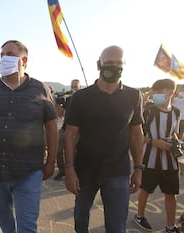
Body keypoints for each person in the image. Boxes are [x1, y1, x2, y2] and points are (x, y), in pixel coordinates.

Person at [0, 40, 58, 233]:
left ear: (24, 60)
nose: (4, 58)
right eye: (1, 55)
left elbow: (51, 126)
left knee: (26, 227)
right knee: (4, 221)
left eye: (9, 54)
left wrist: (51, 161)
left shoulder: (40, 89)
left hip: (29, 171)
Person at [64, 45, 144, 233]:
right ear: (99, 64)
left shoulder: (134, 96)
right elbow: (70, 134)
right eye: (108, 63)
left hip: (118, 172)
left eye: (118, 63)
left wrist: (139, 168)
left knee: (117, 227)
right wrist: (69, 169)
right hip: (85, 171)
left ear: (124, 65)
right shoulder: (81, 97)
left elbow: (136, 133)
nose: (113, 67)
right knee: (80, 220)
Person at [133, 79, 182, 233]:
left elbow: (174, 132)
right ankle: (139, 216)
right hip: (150, 158)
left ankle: (170, 226)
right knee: (146, 189)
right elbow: (137, 134)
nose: (156, 95)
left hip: (170, 160)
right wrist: (154, 142)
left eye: (160, 91)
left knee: (171, 193)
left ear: (171, 92)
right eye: (155, 92)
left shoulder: (176, 112)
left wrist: (175, 143)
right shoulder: (149, 111)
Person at [53, 79, 81, 180]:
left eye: (76, 87)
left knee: (74, 151)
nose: (73, 89)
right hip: (65, 128)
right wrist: (59, 104)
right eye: (72, 86)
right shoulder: (68, 99)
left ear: (80, 87)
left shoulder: (83, 99)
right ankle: (61, 170)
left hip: (79, 130)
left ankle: (75, 170)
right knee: (58, 149)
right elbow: (58, 115)